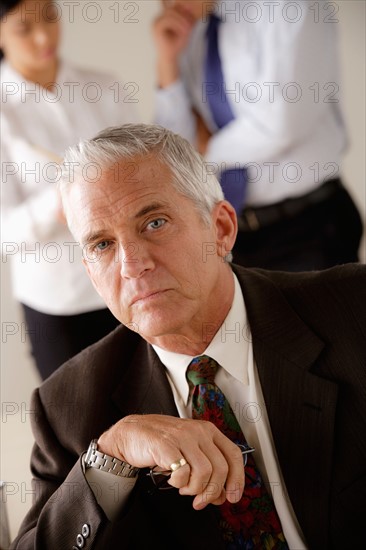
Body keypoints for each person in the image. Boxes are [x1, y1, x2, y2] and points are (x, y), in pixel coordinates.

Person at [10, 123, 365, 549]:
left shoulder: (352, 312)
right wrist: (112, 456)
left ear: (220, 229)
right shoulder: (68, 408)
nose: (131, 264)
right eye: (102, 245)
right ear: (90, 272)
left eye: (154, 222)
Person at [153, 0, 364, 271]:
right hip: (235, 234)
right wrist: (167, 60)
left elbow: (281, 124)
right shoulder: (194, 30)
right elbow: (172, 144)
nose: (166, 4)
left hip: (307, 227)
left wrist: (205, 152)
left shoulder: (288, 7)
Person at [0, 0, 139, 379]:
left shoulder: (104, 87)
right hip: (57, 303)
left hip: (131, 282)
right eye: (24, 29)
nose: (44, 36)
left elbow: (144, 174)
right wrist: (60, 200)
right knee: (80, 430)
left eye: (49, 16)